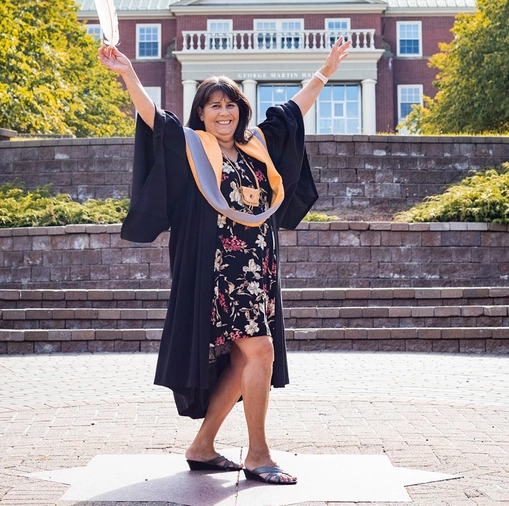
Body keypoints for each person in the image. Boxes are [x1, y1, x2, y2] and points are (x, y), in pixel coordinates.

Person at [98, 38, 350, 485]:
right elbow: (155, 118)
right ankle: (258, 453)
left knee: (242, 359)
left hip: (257, 269)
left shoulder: (257, 146)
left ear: (241, 110)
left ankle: (203, 445)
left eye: (230, 105)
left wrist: (327, 70)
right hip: (216, 270)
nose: (223, 113)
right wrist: (127, 73)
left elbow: (293, 110)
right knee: (261, 350)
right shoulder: (191, 147)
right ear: (202, 113)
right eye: (214, 106)